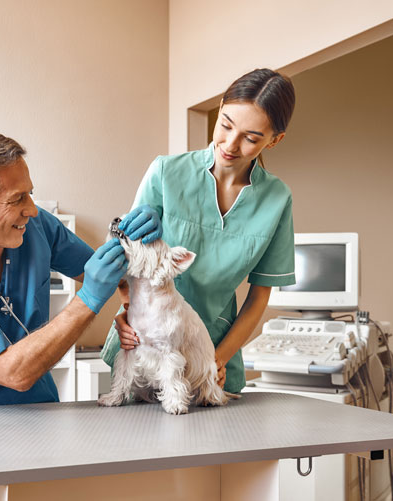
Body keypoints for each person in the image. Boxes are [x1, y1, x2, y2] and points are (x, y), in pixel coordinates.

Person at [0, 130, 160, 500]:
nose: (32, 209)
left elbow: (115, 282)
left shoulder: (36, 228)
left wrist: (139, 249)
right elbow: (14, 372)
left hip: (31, 413)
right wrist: (89, 300)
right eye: (17, 198)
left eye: (31, 194)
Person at [101, 68, 297, 395]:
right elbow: (127, 260)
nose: (230, 145)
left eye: (251, 138)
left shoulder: (277, 200)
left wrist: (216, 360)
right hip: (144, 347)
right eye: (226, 125)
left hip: (213, 347)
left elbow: (259, 294)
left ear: (274, 140)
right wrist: (127, 314)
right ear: (219, 109)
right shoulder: (166, 172)